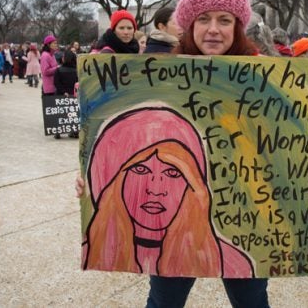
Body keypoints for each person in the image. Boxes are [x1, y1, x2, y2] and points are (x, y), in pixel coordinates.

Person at [77, 0, 308, 308]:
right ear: (189, 25)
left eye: (224, 19)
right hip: (171, 223)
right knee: (163, 301)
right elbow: (122, 150)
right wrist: (89, 176)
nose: (213, 28)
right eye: (203, 19)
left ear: (238, 25)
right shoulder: (162, 75)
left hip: (248, 227)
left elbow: (296, 148)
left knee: (251, 301)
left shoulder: (268, 79)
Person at [84, 107, 254, 278]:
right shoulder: (96, 250)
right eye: (141, 169)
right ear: (111, 178)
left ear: (193, 184)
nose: (155, 190)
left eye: (172, 173)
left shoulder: (233, 262)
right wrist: (82, 183)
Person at [54, 49, 79, 138]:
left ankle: (58, 131)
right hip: (74, 94)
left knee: (60, 114)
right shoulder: (77, 70)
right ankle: (74, 131)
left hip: (61, 94)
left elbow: (56, 83)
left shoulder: (59, 70)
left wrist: (63, 92)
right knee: (72, 114)